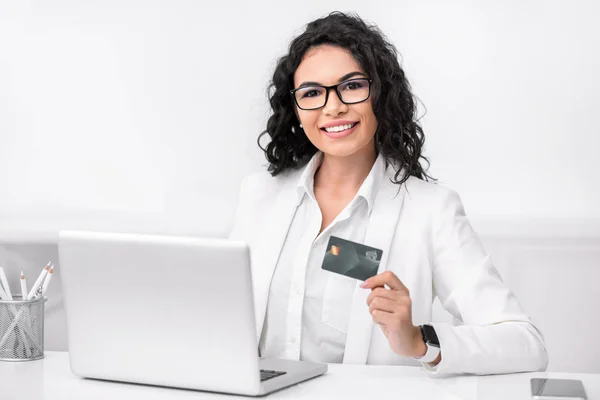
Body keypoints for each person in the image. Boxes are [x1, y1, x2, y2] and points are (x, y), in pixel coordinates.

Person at [229, 11, 548, 375]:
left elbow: (526, 344)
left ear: (380, 94)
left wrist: (419, 340)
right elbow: (221, 317)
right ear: (296, 109)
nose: (333, 106)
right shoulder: (259, 196)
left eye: (352, 86)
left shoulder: (431, 211)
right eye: (313, 93)